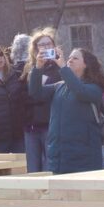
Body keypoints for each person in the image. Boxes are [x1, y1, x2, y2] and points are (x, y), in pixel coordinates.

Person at [29, 46, 104, 174]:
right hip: (58, 157)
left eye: (75, 58)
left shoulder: (95, 87)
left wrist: (63, 68)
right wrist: (38, 67)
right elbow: (35, 93)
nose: (70, 60)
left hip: (84, 159)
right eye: (69, 57)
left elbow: (80, 92)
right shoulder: (59, 87)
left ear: (86, 65)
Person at [21, 27, 62, 172]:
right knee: (32, 168)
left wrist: (60, 63)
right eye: (42, 45)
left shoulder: (59, 69)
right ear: (35, 49)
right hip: (30, 125)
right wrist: (37, 67)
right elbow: (27, 94)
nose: (46, 47)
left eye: (49, 44)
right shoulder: (28, 69)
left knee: (48, 167)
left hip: (49, 124)